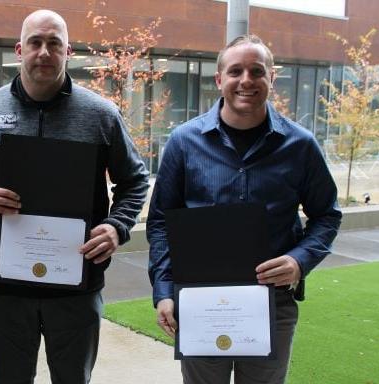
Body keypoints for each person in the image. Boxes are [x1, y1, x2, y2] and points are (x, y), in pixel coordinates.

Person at [0, 9, 149, 383]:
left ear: (68, 51)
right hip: (5, 291)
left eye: (54, 44)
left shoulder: (101, 115)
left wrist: (117, 227)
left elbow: (135, 180)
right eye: (35, 42)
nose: (44, 52)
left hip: (77, 287)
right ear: (20, 49)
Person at [146, 34, 342, 383]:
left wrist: (300, 260)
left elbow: (326, 215)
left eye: (257, 71)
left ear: (271, 78)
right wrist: (163, 290)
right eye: (236, 71)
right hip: (200, 301)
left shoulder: (301, 146)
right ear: (219, 80)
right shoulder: (183, 142)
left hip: (272, 303)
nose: (246, 80)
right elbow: (162, 221)